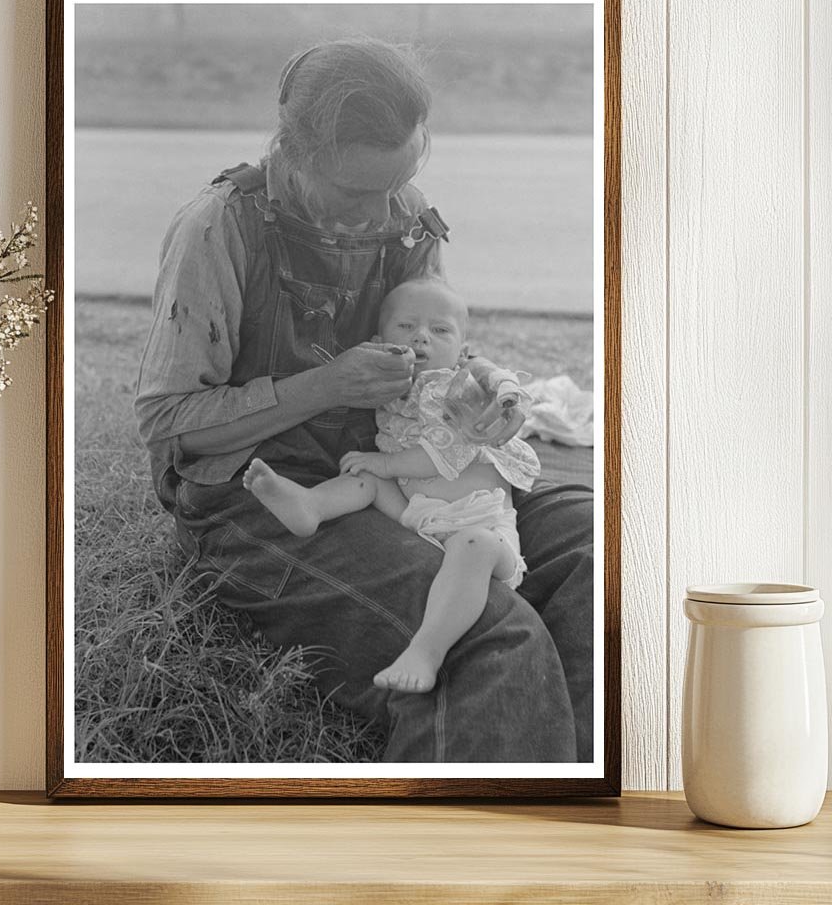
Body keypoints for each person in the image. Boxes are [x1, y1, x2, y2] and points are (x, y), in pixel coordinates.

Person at [134, 37, 594, 763]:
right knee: (488, 637)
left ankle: (585, 824)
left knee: (595, 558)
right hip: (262, 490)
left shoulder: (404, 214)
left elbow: (442, 349)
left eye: (403, 178)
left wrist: (475, 402)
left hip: (412, 467)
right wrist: (326, 386)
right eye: (358, 194)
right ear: (296, 152)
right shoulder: (217, 229)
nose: (388, 212)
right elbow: (168, 427)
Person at [243, 276, 540, 695]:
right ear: (379, 340)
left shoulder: (464, 384)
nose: (422, 337)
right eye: (406, 327)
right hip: (413, 514)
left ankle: (426, 650)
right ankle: (310, 505)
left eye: (440, 330)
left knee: (471, 545)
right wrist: (376, 467)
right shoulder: (390, 390)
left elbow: (443, 450)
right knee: (362, 480)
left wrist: (505, 388)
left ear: (462, 349)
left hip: (482, 528)